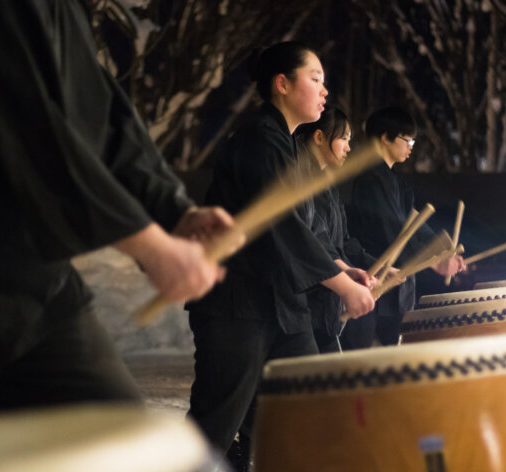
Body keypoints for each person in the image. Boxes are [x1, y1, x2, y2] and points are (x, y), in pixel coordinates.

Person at [0, 0, 235, 424]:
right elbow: (30, 133)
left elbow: (101, 112)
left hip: (32, 284)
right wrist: (151, 246)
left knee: (125, 439)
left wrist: (173, 211)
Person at [185, 42, 375, 468]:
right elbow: (282, 228)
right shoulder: (257, 140)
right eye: (316, 79)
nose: (325, 91)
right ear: (282, 84)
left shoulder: (287, 146)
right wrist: (342, 284)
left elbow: (307, 233)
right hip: (237, 308)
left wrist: (342, 268)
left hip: (283, 310)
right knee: (213, 428)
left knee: (311, 410)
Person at [339, 106, 466, 348]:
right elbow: (394, 234)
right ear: (385, 137)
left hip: (395, 288)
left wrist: (444, 250)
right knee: (362, 365)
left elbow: (414, 225)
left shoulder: (397, 182)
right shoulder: (369, 180)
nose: (411, 147)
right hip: (370, 282)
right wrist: (435, 259)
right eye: (407, 140)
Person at [294, 107, 378, 353]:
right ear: (319, 138)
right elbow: (314, 242)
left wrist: (370, 268)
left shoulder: (326, 185)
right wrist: (345, 279)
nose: (348, 148)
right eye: (344, 139)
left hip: (324, 303)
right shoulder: (300, 181)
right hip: (308, 303)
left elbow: (343, 242)